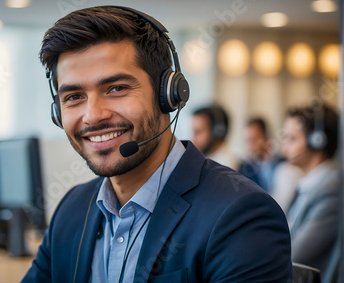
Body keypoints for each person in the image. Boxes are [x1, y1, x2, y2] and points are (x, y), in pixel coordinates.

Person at [23, 6, 291, 282]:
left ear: (168, 95)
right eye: (74, 96)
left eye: (116, 88)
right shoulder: (73, 209)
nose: (93, 115)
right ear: (58, 112)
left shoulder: (240, 214)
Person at [281, 105, 339, 281]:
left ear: (317, 140)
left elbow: (295, 255)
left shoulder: (331, 190)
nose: (284, 147)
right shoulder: (308, 184)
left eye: (291, 139)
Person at [191, 105, 239, 170]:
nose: (193, 139)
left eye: (198, 132)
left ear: (217, 132)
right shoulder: (208, 159)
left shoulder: (225, 167)